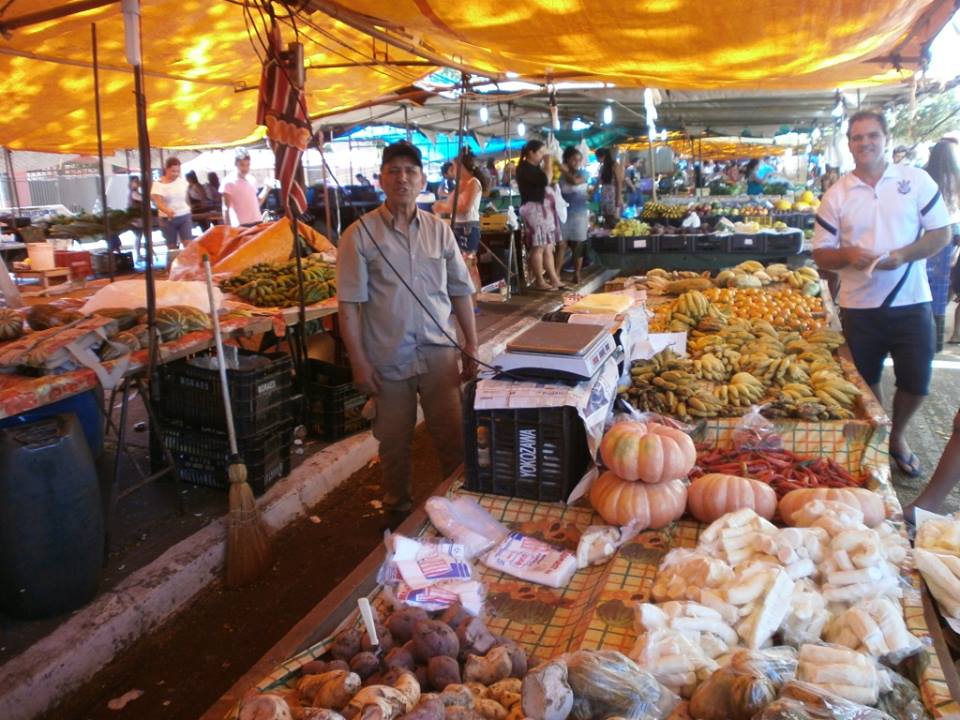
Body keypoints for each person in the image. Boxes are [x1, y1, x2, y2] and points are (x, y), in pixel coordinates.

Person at [337, 141, 478, 520]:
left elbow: (461, 292)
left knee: (451, 436)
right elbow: (349, 306)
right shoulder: (359, 235)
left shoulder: (439, 231)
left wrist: (471, 346)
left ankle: (458, 510)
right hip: (388, 355)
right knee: (394, 442)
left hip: (438, 355)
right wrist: (359, 363)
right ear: (382, 178)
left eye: (410, 171)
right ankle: (397, 511)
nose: (402, 178)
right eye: (394, 170)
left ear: (423, 180)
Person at [812, 110, 951, 478]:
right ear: (849, 144)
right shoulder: (837, 194)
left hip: (911, 299)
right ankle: (883, 430)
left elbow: (941, 234)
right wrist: (848, 255)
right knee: (864, 380)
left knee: (917, 382)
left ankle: (897, 433)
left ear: (886, 138)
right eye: (857, 138)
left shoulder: (914, 180)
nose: (865, 143)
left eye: (872, 135)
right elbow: (821, 253)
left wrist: (903, 255)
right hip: (859, 305)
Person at [432, 149, 486, 309]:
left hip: (468, 228)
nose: (452, 171)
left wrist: (442, 207)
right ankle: (466, 304)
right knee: (461, 266)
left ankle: (472, 304)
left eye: (454, 167)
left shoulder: (473, 183)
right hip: (458, 227)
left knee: (467, 266)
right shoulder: (461, 185)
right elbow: (449, 204)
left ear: (462, 167)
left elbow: (464, 208)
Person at [924, 140, 960, 352]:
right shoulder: (956, 179)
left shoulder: (926, 177)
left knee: (926, 286)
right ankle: (938, 335)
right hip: (952, 236)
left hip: (929, 236)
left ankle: (926, 330)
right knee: (943, 288)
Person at [516, 140, 564, 291]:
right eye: (541, 152)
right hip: (534, 209)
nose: (543, 156)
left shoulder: (533, 168)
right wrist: (549, 162)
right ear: (531, 153)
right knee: (539, 246)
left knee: (548, 245)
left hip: (543, 210)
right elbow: (545, 180)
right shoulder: (525, 168)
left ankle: (554, 279)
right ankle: (539, 281)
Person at [150, 157, 193, 261]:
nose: (175, 174)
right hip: (167, 219)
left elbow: (186, 198)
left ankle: (189, 265)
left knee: (188, 243)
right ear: (167, 169)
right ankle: (173, 268)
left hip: (184, 216)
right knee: (172, 246)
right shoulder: (158, 184)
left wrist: (189, 208)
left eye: (178, 171)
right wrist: (167, 210)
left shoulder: (182, 182)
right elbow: (158, 202)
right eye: (173, 171)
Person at [559, 145, 590, 284]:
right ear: (567, 160)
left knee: (578, 244)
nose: (577, 162)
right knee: (561, 244)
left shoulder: (584, 174)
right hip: (563, 214)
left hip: (580, 214)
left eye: (579, 160)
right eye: (573, 159)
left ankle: (577, 274)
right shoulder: (559, 176)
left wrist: (563, 170)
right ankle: (556, 273)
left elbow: (574, 181)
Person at [223, 148, 266, 226]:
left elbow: (256, 203)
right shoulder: (228, 182)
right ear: (235, 164)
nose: (245, 168)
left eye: (247, 165)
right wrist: (228, 229)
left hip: (257, 222)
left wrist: (267, 188)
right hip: (241, 225)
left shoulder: (252, 179)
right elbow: (226, 208)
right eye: (242, 165)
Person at [597, 147, 623, 227]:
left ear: (604, 156)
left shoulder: (615, 165)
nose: (597, 159)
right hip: (605, 194)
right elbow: (599, 181)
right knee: (607, 219)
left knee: (614, 220)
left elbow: (619, 183)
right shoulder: (602, 167)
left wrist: (618, 200)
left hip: (613, 194)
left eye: (598, 157)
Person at [127, 175, 147, 262]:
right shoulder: (133, 193)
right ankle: (138, 255)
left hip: (137, 217)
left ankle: (139, 255)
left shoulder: (135, 192)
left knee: (139, 236)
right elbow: (143, 199)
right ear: (131, 183)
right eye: (135, 182)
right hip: (136, 218)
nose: (136, 183)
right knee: (138, 235)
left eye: (137, 181)